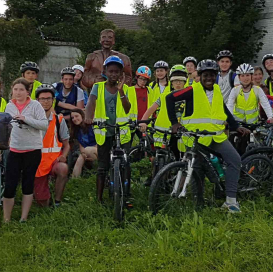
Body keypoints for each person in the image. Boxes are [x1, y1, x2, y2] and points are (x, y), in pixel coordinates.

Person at [164, 59, 250, 213]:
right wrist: (174, 123)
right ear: (200, 76)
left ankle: (231, 201)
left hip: (216, 136)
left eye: (212, 75)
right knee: (197, 170)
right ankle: (198, 204)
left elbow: (223, 110)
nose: (209, 78)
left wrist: (236, 126)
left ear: (216, 76)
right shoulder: (192, 89)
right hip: (196, 137)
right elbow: (169, 98)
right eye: (205, 75)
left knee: (234, 160)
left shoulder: (217, 90)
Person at [84, 55, 135, 205]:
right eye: (110, 71)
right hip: (104, 130)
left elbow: (127, 108)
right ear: (105, 71)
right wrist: (88, 117)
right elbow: (90, 104)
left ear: (121, 74)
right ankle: (99, 199)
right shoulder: (97, 87)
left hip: (122, 131)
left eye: (117, 72)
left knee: (126, 163)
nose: (113, 74)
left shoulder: (126, 89)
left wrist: (120, 91)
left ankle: (126, 193)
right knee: (102, 166)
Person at [5, 78, 49, 223]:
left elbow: (44, 125)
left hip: (33, 150)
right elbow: (6, 127)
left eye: (21, 90)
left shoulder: (35, 105)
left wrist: (26, 119)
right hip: (15, 149)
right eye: (15, 89)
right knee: (10, 185)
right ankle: (6, 218)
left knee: (27, 183)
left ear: (27, 91)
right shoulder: (9, 106)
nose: (18, 92)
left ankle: (23, 218)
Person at [33, 87, 70, 207]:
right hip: (37, 164)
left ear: (53, 100)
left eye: (49, 98)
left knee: (63, 168)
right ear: (37, 100)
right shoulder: (31, 120)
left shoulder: (59, 120)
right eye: (42, 99)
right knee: (43, 204)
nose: (46, 101)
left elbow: (66, 144)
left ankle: (58, 201)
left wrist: (63, 156)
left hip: (54, 161)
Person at [140, 65, 189, 154]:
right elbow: (151, 109)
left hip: (182, 134)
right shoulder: (164, 96)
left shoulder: (189, 97)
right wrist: (143, 121)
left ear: (184, 82)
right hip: (164, 133)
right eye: (175, 81)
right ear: (171, 83)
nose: (178, 83)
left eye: (180, 81)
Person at [227, 63, 273, 154]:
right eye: (243, 75)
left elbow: (265, 104)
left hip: (253, 125)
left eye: (248, 75)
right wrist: (229, 120)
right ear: (239, 77)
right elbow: (230, 105)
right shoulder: (235, 90)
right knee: (235, 148)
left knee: (253, 149)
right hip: (238, 125)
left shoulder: (257, 90)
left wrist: (270, 117)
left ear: (251, 76)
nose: (246, 78)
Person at [69, 109, 97, 178]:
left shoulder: (91, 126)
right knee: (81, 157)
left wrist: (88, 152)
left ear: (82, 116)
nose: (74, 119)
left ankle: (74, 179)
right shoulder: (77, 130)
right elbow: (81, 146)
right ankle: (74, 179)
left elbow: (99, 142)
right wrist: (84, 154)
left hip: (98, 151)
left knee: (86, 150)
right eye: (72, 118)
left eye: (76, 116)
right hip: (87, 153)